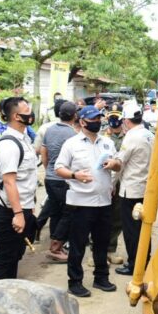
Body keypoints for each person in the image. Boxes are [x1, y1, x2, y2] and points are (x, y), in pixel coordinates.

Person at [55, 105, 120, 297]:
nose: (97, 123)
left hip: (104, 202)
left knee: (101, 243)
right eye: (93, 120)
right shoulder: (71, 144)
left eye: (99, 119)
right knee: (77, 245)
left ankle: (101, 277)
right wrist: (75, 175)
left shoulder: (107, 143)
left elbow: (118, 164)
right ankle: (75, 282)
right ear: (82, 122)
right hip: (80, 204)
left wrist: (115, 164)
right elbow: (59, 168)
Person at [0, 97, 38, 280]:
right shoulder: (9, 144)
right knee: (5, 258)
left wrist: (28, 207)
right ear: (17, 116)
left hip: (22, 206)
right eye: (27, 109)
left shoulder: (24, 138)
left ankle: (8, 295)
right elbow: (10, 182)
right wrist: (18, 214)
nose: (30, 112)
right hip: (10, 211)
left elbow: (27, 179)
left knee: (14, 256)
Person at [111, 101, 154, 276]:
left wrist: (111, 184)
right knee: (144, 228)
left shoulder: (131, 137)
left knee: (131, 230)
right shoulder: (149, 134)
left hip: (131, 190)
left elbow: (119, 163)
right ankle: (145, 260)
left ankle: (134, 264)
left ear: (127, 121)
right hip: (147, 188)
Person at [40, 101, 78, 262]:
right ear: (75, 116)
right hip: (63, 180)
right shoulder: (73, 135)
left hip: (50, 178)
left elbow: (44, 154)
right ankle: (55, 248)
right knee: (69, 213)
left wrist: (49, 170)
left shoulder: (49, 130)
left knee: (56, 212)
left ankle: (56, 244)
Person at [104, 104, 125, 266]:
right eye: (111, 117)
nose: (114, 120)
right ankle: (97, 252)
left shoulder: (128, 137)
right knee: (100, 217)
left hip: (121, 183)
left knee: (117, 218)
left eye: (117, 117)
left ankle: (111, 250)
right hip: (104, 183)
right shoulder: (103, 137)